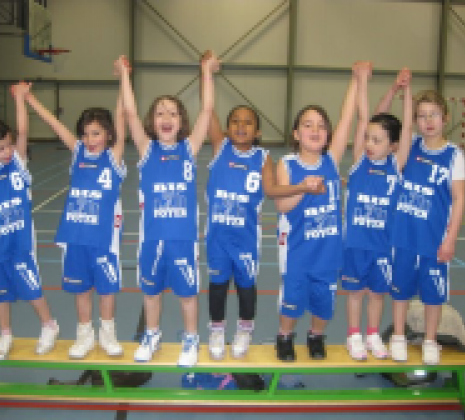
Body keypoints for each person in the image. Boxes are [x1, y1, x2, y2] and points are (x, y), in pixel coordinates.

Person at [117, 52, 220, 367]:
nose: (166, 117)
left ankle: (191, 338)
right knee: (151, 294)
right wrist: (124, 73)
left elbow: (207, 109)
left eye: (172, 113)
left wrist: (206, 72)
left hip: (183, 241)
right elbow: (131, 114)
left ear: (181, 122)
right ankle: (152, 335)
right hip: (152, 241)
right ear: (153, 120)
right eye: (160, 112)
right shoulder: (146, 150)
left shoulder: (189, 149)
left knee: (187, 295)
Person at [204, 100, 326, 360]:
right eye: (235, 121)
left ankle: (245, 328)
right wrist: (207, 73)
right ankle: (216, 329)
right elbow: (207, 109)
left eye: (248, 122)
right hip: (217, 237)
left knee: (247, 286)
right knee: (217, 285)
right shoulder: (220, 148)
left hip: (246, 239)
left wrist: (301, 187)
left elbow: (271, 191)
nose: (241, 126)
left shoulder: (263, 158)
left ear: (258, 132)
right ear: (226, 128)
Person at [24, 66, 127, 359]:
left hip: (104, 239)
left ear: (108, 134)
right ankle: (84, 336)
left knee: (106, 290)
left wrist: (123, 79)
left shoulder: (113, 157)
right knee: (81, 290)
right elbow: (55, 124)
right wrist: (30, 100)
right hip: (75, 236)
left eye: (96, 133)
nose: (89, 139)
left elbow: (121, 115)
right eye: (85, 134)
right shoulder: (78, 153)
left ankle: (108, 335)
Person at [0, 82, 59, 360]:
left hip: (20, 243)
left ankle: (49, 325)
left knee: (32, 287)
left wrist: (20, 98)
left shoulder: (17, 161)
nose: (6, 152)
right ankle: (5, 333)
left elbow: (23, 130)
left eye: (8, 145)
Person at [274, 62, 361, 362]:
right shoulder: (287, 164)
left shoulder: (331, 162)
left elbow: (347, 118)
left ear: (328, 135)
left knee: (324, 302)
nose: (315, 129)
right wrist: (302, 187)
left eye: (321, 126)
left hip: (328, 250)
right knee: (292, 300)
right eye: (308, 124)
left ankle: (316, 335)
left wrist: (356, 79)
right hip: (297, 250)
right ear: (296, 133)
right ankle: (284, 337)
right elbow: (282, 205)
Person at [381, 88, 465, 365]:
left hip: (433, 239)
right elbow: (380, 122)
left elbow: (459, 197)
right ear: (415, 120)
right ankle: (398, 338)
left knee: (433, 295)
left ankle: (430, 340)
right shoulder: (411, 146)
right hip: (404, 236)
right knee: (400, 290)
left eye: (434, 115)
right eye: (422, 116)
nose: (428, 121)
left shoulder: (454, 156)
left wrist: (451, 239)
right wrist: (401, 93)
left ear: (446, 117)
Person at [343, 65, 413, 361]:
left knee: (377, 293)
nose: (370, 144)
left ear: (393, 146)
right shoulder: (360, 160)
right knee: (355, 293)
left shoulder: (396, 166)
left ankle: (372, 333)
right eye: (368, 139)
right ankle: (353, 335)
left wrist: (406, 91)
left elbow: (407, 127)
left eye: (377, 140)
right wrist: (374, 86)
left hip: (383, 245)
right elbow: (366, 118)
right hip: (355, 243)